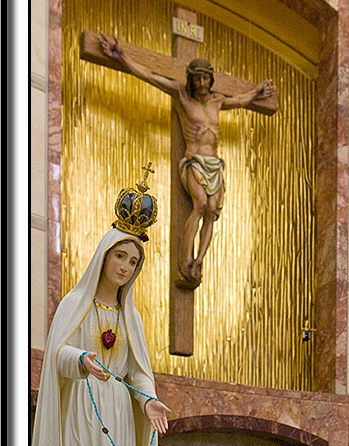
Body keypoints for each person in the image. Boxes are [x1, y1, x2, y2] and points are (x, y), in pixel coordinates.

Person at [31, 173, 171, 446]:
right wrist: (81, 360)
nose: (125, 267)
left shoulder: (131, 317)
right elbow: (57, 356)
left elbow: (136, 371)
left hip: (120, 413)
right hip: (82, 404)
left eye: (133, 261)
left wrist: (147, 400)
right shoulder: (74, 304)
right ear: (104, 256)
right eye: (120, 256)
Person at [98, 35, 276, 288]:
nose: (202, 83)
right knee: (200, 204)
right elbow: (150, 76)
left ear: (211, 79)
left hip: (215, 164)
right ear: (190, 79)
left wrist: (257, 92)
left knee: (212, 211)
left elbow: (241, 100)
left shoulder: (217, 100)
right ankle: (185, 259)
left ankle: (199, 260)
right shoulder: (181, 95)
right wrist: (121, 57)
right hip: (194, 161)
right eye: (197, 78)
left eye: (205, 78)